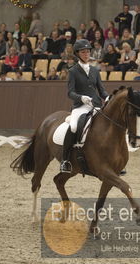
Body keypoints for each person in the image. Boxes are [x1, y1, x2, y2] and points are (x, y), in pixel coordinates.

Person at [60, 39, 108, 173]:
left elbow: (101, 89)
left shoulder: (94, 70)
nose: (86, 54)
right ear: (78, 54)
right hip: (80, 106)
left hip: (96, 105)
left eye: (88, 51)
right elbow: (70, 92)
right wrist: (81, 98)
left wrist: (107, 97)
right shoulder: (73, 71)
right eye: (83, 52)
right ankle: (65, 160)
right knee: (74, 127)